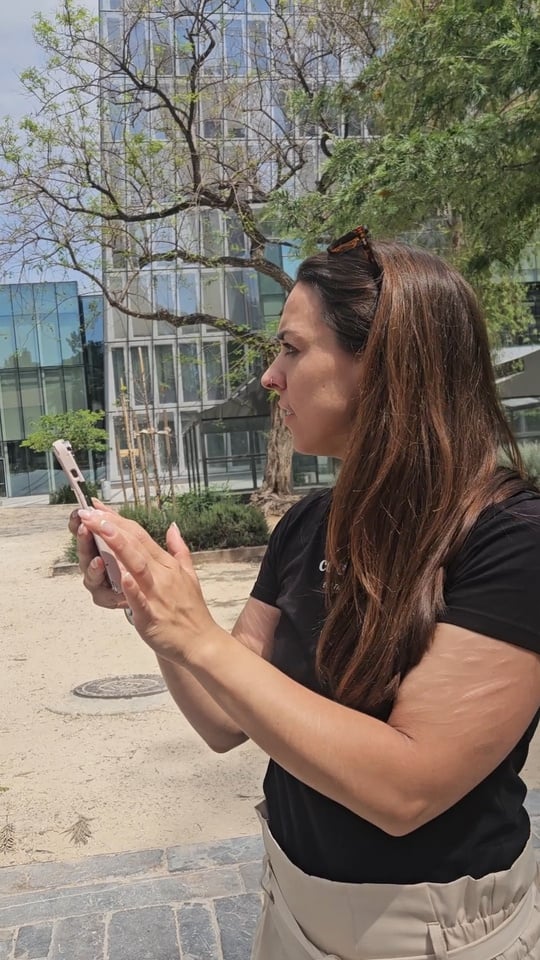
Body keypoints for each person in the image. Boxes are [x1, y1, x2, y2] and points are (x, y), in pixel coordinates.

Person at [70, 227, 540, 959]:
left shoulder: (512, 539)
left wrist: (197, 634)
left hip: (436, 931)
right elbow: (223, 719)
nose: (270, 376)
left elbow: (407, 790)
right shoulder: (308, 522)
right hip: (288, 904)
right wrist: (150, 606)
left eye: (291, 348)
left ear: (384, 364)